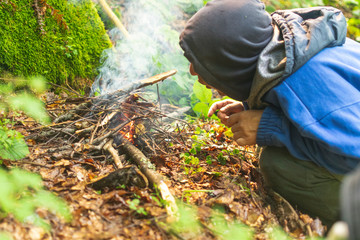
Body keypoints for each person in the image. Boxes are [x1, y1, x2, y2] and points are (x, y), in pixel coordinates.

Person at [179, 0, 360, 228]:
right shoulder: (293, 45)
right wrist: (251, 108)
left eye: (200, 64)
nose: (192, 71)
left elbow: (354, 156)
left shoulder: (304, 85)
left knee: (279, 166)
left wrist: (273, 127)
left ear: (232, 64)